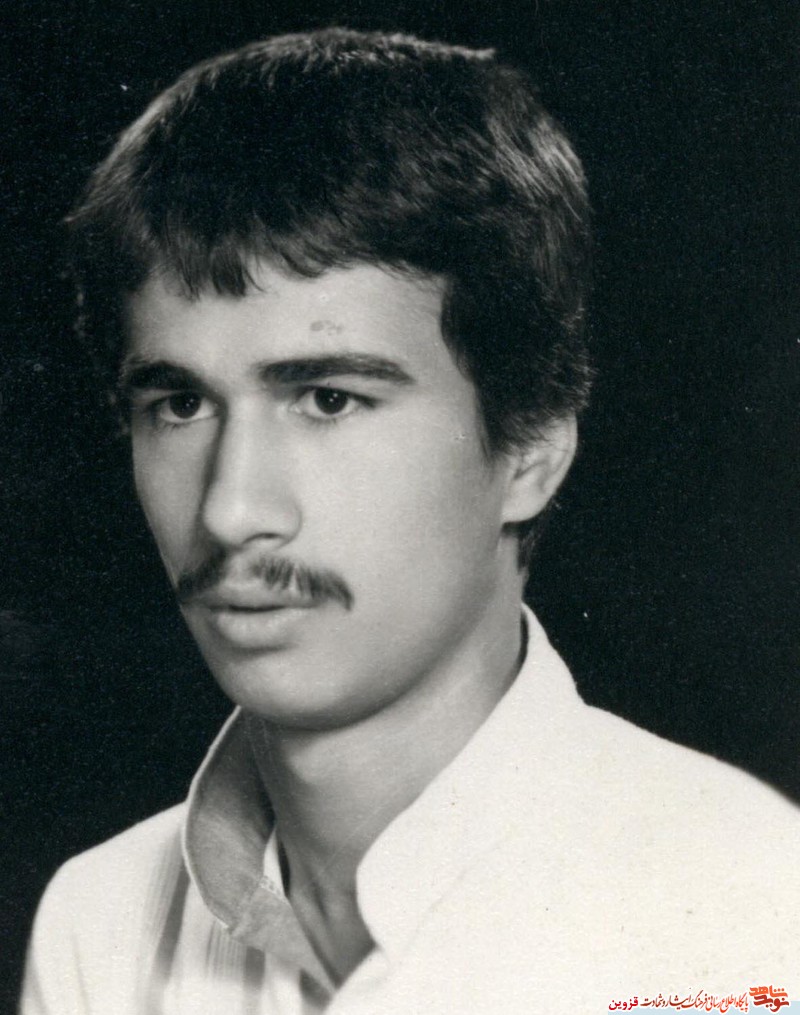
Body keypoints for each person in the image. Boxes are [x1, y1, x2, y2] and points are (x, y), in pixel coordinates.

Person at [20, 28, 797, 1015]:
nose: (230, 509)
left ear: (529, 451)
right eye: (180, 404)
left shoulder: (750, 898)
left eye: (329, 399)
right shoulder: (98, 923)